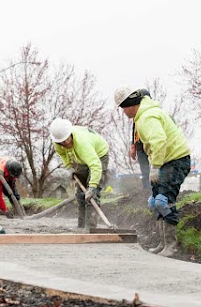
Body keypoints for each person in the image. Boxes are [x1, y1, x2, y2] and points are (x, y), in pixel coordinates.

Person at [114, 86, 191, 257]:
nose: (123, 112)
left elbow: (159, 141)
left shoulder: (147, 117)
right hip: (165, 161)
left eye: (123, 107)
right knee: (154, 201)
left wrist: (155, 167)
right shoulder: (142, 116)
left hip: (176, 160)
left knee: (164, 201)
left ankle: (171, 245)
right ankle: (162, 243)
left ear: (131, 104)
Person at [49, 118, 109, 229]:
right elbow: (63, 155)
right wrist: (70, 167)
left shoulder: (82, 144)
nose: (64, 144)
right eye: (61, 142)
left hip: (99, 155)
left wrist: (92, 187)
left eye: (66, 140)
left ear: (70, 134)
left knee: (92, 196)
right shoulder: (58, 142)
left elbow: (96, 165)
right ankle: (81, 227)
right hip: (81, 159)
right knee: (80, 195)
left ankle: (90, 228)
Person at [130, 88, 151, 190]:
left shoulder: (152, 113)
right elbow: (134, 129)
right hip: (140, 146)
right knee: (145, 170)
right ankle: (147, 191)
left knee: (156, 168)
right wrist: (133, 146)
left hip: (151, 145)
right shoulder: (136, 115)